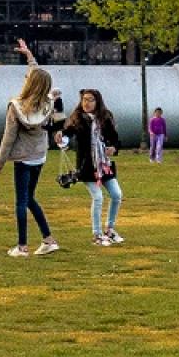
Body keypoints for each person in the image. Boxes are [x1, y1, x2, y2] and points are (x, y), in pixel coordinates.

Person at [0, 39, 59, 258]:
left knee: (21, 202)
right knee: (30, 198)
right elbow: (38, 75)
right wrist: (29, 56)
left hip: (23, 158)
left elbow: (8, 138)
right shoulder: (47, 103)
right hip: (40, 156)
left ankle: (22, 246)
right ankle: (48, 239)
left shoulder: (17, 107)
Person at [63, 88, 124, 247]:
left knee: (117, 194)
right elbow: (67, 133)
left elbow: (115, 139)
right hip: (87, 167)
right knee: (98, 198)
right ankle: (97, 234)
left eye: (91, 100)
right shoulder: (78, 118)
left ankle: (109, 230)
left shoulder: (105, 117)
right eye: (84, 99)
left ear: (97, 102)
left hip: (104, 165)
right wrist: (61, 138)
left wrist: (113, 148)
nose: (87, 103)